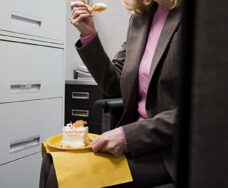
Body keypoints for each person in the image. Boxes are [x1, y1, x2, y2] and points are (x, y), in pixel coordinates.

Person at [40, 0, 182, 187]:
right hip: (136, 143)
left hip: (169, 152)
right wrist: (88, 33)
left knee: (61, 175)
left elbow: (203, 112)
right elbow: (113, 84)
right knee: (52, 160)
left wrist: (127, 137)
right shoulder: (139, 19)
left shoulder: (204, 17)